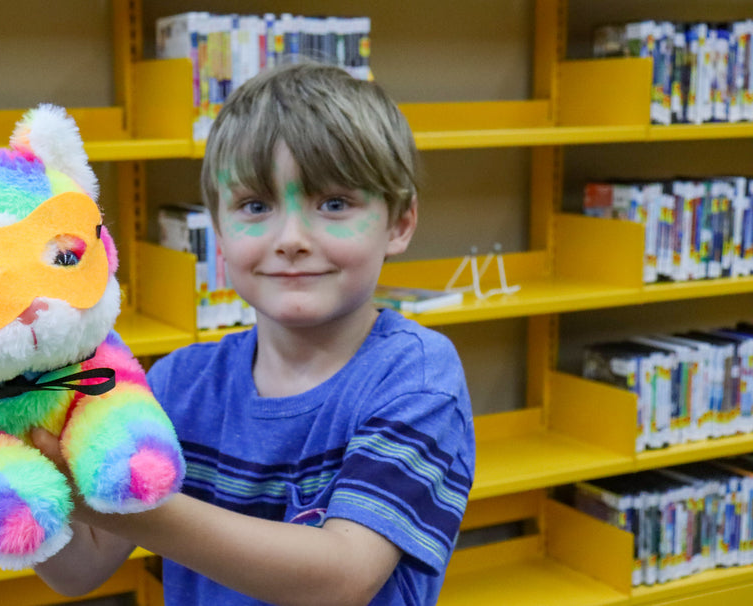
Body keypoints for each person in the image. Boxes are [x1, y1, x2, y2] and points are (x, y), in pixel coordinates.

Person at [32, 61, 475, 606]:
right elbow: (80, 570)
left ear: (400, 223)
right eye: (255, 206)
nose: (290, 238)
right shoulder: (178, 382)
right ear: (218, 230)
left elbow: (343, 578)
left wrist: (112, 504)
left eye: (334, 204)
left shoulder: (417, 378)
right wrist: (17, 470)